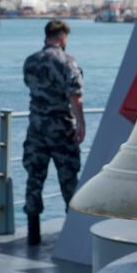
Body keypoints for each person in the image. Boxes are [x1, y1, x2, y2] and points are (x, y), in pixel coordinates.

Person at [22, 20, 85, 245]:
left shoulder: (30, 61)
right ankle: (73, 236)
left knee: (34, 179)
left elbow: (31, 88)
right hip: (60, 129)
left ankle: (33, 234)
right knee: (68, 179)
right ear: (62, 37)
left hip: (36, 129)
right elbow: (75, 97)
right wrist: (81, 125)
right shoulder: (66, 62)